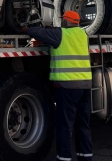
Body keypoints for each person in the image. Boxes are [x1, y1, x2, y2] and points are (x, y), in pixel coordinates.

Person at [21, 11, 92, 161]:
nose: (62, 22)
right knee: (83, 125)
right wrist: (52, 29)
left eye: (63, 20)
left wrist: (26, 29)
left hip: (67, 86)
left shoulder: (60, 34)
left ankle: (64, 158)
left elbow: (38, 33)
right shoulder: (83, 34)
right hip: (85, 86)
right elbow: (59, 34)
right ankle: (86, 157)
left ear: (66, 21)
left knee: (65, 126)